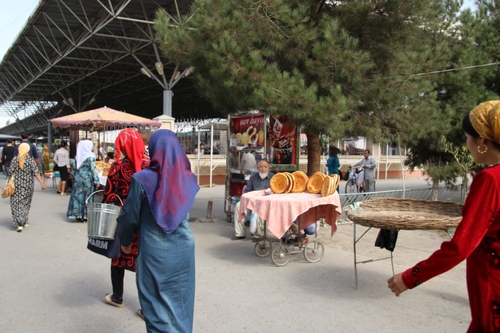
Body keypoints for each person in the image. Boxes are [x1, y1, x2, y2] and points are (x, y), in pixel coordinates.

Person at [387, 100, 500, 332]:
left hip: (492, 288)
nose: (467, 144)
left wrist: (410, 277)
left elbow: (460, 246)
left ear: (483, 141)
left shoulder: (490, 180)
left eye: (468, 137)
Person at [116, 129, 198, 332]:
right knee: (181, 304)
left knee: (154, 306)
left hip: (155, 251)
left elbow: (129, 217)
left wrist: (125, 242)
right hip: (184, 250)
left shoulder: (142, 179)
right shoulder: (187, 177)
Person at [102, 129, 150, 318]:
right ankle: (147, 308)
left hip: (123, 222)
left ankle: (117, 297)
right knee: (144, 264)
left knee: (118, 259)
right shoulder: (151, 165)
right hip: (145, 223)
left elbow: (109, 196)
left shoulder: (117, 167)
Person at [232, 159, 274, 241]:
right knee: (238, 206)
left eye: (265, 167)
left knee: (257, 210)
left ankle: (258, 235)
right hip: (252, 200)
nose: (263, 169)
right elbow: (248, 191)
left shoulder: (273, 177)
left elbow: (275, 191)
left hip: (266, 202)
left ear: (268, 168)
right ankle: (240, 233)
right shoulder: (253, 177)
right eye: (261, 167)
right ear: (258, 168)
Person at [8, 143, 47, 232]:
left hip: (16, 185)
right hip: (28, 185)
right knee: (26, 202)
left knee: (16, 203)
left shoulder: (15, 160)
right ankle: (24, 220)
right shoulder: (30, 160)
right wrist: (42, 183)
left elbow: (10, 173)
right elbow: (36, 173)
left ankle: (19, 223)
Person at [67, 140, 100, 222]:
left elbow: (74, 169)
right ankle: (85, 215)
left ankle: (77, 214)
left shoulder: (77, 157)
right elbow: (93, 169)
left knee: (78, 196)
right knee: (87, 196)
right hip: (87, 179)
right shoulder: (90, 157)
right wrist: (97, 181)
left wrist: (75, 177)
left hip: (78, 178)